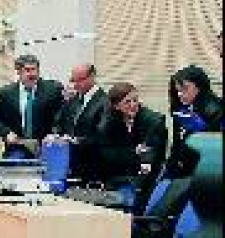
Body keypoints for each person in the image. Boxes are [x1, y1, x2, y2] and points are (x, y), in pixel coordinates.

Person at [97, 82, 167, 214]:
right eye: (127, 102)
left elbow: (152, 154)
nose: (133, 105)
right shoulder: (108, 122)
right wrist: (134, 152)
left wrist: (127, 155)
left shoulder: (154, 120)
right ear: (116, 106)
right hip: (116, 177)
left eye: (135, 100)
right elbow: (107, 154)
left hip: (146, 180)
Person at [0, 54, 65, 158]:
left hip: (46, 147)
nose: (32, 74)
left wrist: (54, 133)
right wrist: (6, 133)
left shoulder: (53, 90)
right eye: (27, 70)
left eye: (34, 70)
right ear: (18, 71)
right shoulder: (5, 94)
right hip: (16, 148)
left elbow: (62, 114)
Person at [46, 64, 108, 182]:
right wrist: (56, 135)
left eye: (80, 80)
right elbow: (59, 121)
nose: (75, 84)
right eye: (73, 80)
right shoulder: (74, 99)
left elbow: (101, 135)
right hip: (69, 163)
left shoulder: (104, 102)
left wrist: (76, 140)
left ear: (92, 77)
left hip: (92, 165)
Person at [165, 65, 223, 178]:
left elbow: (215, 151)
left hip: (209, 171)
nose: (179, 94)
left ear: (199, 87)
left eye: (185, 88)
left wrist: (203, 129)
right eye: (178, 90)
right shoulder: (180, 108)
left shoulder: (216, 111)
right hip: (184, 167)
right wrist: (170, 167)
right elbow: (177, 143)